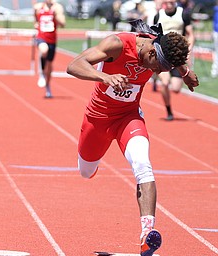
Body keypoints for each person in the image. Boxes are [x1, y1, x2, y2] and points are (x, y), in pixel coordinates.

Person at [66, 19, 199, 256]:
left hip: (128, 117)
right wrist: (104, 78)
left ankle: (147, 234)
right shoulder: (116, 44)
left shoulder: (160, 47)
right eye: (157, 66)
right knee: (85, 171)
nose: (157, 72)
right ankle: (92, 164)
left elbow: (173, 53)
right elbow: (74, 65)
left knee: (142, 164)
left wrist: (185, 72)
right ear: (149, 51)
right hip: (98, 118)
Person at [154, 0, 195, 120]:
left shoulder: (183, 14)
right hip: (162, 55)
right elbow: (154, 34)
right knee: (165, 83)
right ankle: (169, 111)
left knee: (176, 89)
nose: (170, 4)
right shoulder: (158, 15)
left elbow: (190, 34)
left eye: (172, 1)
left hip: (177, 55)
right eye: (167, 2)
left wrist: (189, 49)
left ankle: (159, 78)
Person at [34, 0, 66, 98]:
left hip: (52, 40)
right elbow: (35, 17)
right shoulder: (38, 7)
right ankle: (42, 74)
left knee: (49, 65)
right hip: (41, 37)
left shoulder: (57, 8)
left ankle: (48, 86)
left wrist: (56, 15)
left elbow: (63, 24)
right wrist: (36, 23)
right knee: (44, 50)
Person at [211, 0, 218, 78]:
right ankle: (214, 70)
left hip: (216, 32)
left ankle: (214, 70)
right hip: (216, 32)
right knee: (216, 52)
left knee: (216, 52)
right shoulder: (216, 9)